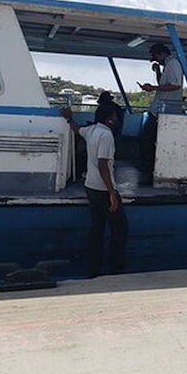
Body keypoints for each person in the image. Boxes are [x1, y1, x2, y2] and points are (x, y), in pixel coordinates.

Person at [61, 103, 128, 277]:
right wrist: (112, 193)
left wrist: (69, 118)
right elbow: (103, 164)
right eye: (115, 116)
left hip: (90, 186)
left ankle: (93, 269)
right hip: (103, 188)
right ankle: (116, 269)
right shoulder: (106, 135)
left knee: (97, 229)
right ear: (110, 118)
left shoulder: (91, 130)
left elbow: (77, 129)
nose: (117, 119)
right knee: (120, 229)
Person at [138, 42, 184, 182]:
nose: (157, 60)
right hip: (159, 110)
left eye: (156, 58)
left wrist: (152, 88)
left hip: (164, 110)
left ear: (161, 54)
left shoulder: (173, 64)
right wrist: (158, 71)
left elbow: (175, 85)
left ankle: (150, 167)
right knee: (149, 139)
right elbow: (164, 84)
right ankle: (150, 166)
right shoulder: (168, 66)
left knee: (146, 139)